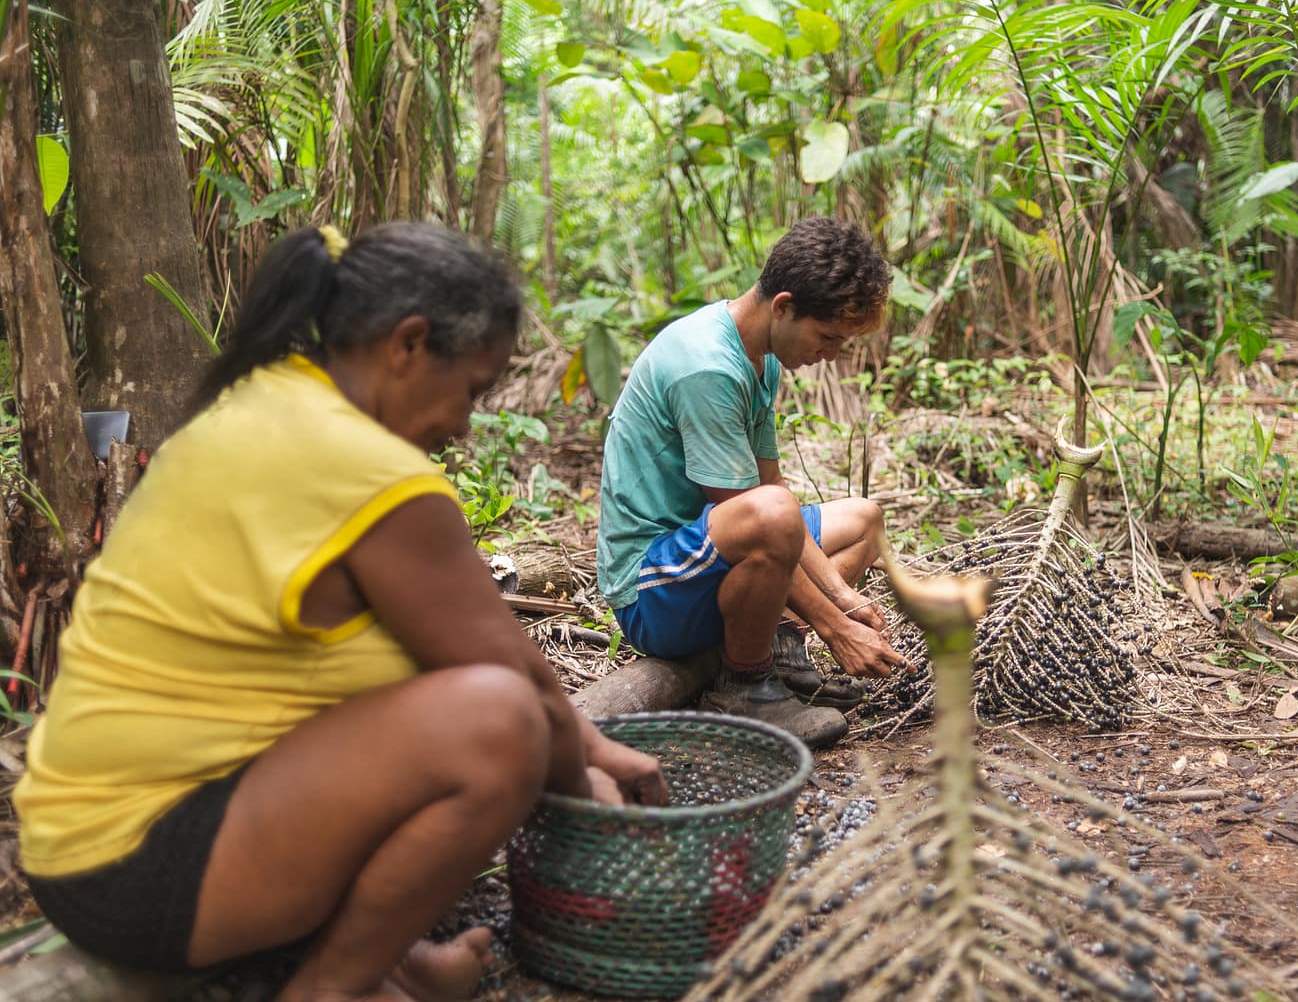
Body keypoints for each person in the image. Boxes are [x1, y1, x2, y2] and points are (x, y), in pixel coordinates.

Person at [13, 222, 667, 1002]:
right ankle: (330, 989)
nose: (464, 424)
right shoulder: (369, 473)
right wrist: (587, 795)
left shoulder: (269, 397)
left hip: (74, 844)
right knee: (497, 723)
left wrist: (594, 743)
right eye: (473, 390)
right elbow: (516, 690)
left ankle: (396, 966)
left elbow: (439, 664)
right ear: (409, 344)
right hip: (139, 870)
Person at [596, 216, 908, 747]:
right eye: (827, 337)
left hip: (712, 548)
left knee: (865, 521)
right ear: (783, 306)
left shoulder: (759, 357)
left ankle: (779, 647)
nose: (830, 355)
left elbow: (772, 486)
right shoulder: (708, 366)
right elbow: (764, 517)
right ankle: (744, 684)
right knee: (773, 516)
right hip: (651, 588)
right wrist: (837, 628)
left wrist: (845, 600)